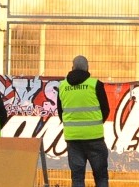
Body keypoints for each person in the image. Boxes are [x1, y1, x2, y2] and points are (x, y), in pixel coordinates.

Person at [57, 55, 110, 187]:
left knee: (77, 178)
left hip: (73, 139)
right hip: (95, 137)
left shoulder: (62, 86)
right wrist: (95, 123)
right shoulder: (95, 84)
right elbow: (106, 109)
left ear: (72, 68)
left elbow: (60, 112)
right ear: (87, 68)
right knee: (101, 177)